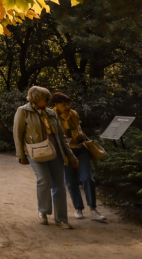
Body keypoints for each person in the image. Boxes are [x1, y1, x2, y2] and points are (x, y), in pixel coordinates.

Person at [13, 86, 78, 229]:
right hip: (35, 153)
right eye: (46, 99)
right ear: (36, 99)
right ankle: (43, 211)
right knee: (44, 181)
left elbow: (60, 136)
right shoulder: (23, 111)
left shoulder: (50, 113)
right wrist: (21, 155)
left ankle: (61, 218)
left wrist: (71, 156)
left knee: (60, 186)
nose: (49, 101)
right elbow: (17, 134)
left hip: (55, 152)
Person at [51, 92, 107, 223]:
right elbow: (52, 136)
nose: (67, 107)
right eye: (64, 104)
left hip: (81, 149)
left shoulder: (73, 114)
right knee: (71, 182)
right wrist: (67, 141)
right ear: (55, 104)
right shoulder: (51, 116)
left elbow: (78, 128)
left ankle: (93, 209)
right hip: (64, 153)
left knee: (88, 178)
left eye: (68, 104)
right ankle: (78, 208)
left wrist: (79, 135)